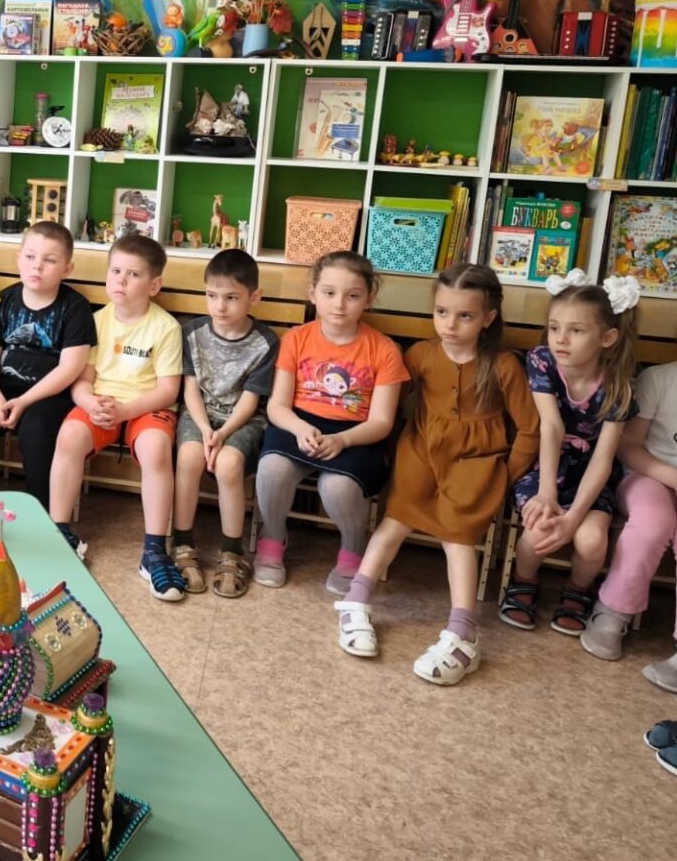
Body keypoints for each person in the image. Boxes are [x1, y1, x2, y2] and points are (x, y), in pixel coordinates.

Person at [333, 265, 538, 685]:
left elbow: (530, 429)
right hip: (421, 451)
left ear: (488, 318)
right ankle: (356, 601)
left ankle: (464, 632)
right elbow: (390, 404)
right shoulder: (421, 355)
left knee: (457, 538)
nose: (450, 324)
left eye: (465, 316)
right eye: (442, 312)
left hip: (478, 463)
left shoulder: (503, 366)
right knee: (394, 520)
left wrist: (506, 476)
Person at [254, 252, 408, 594]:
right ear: (313, 293)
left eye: (352, 295)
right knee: (273, 469)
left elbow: (382, 421)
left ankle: (354, 549)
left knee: (336, 487)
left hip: (356, 433)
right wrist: (298, 427)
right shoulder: (296, 339)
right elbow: (277, 406)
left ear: (369, 298)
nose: (339, 304)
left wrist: (343, 440)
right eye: (329, 293)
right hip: (299, 423)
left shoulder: (384, 350)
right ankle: (272, 537)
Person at [499, 271, 640, 634]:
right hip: (544, 466)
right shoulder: (542, 360)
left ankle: (578, 590)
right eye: (554, 328)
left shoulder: (619, 386)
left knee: (591, 541)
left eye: (576, 330)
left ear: (607, 338)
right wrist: (546, 493)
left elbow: (604, 459)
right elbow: (551, 426)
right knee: (537, 530)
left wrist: (575, 516)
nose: (561, 338)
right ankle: (524, 581)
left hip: (590, 477)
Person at [49, 235, 183, 598]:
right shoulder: (94, 321)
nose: (121, 280)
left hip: (146, 405)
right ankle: (60, 531)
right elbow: (82, 380)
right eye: (116, 271)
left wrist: (125, 410)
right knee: (69, 436)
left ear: (154, 285)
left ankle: (154, 551)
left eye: (133, 274)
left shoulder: (166, 327)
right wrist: (88, 402)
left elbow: (168, 391)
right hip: (101, 402)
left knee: (156, 448)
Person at [0, 221, 94, 505]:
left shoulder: (75, 307)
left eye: (49, 260)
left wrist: (25, 401)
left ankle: (42, 510)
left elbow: (70, 368)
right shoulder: (5, 300)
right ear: (19, 259)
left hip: (49, 395)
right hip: (2, 385)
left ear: (67, 269)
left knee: (37, 430)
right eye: (30, 256)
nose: (37, 266)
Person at [171, 249, 278, 599]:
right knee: (189, 457)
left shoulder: (265, 342)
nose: (219, 306)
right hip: (199, 414)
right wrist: (205, 429)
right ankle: (182, 542)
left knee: (229, 464)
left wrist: (223, 433)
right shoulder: (192, 332)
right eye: (212, 295)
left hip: (242, 419)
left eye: (231, 297)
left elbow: (251, 400)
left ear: (254, 297)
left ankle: (232, 551)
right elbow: (189, 388)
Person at [582, 333, 677, 689]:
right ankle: (613, 610)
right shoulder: (660, 379)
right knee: (653, 521)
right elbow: (629, 447)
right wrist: (673, 477)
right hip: (648, 476)